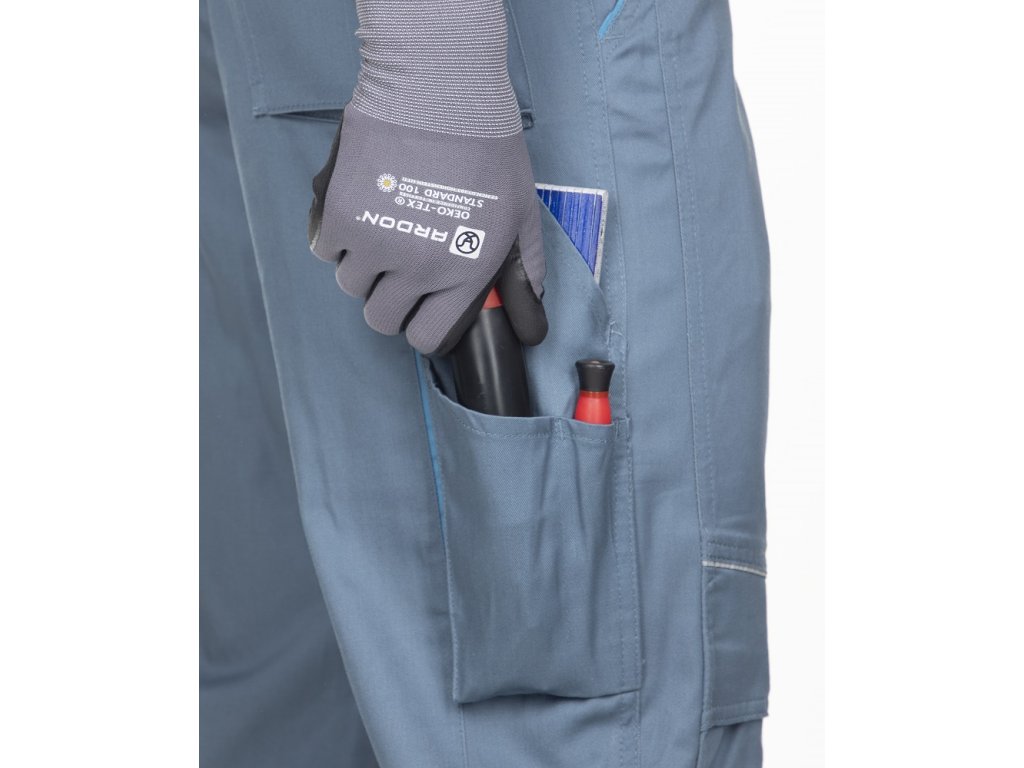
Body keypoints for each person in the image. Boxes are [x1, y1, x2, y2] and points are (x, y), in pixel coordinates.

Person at [200, 0, 771, 766]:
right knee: (586, 717)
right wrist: (434, 59)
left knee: (308, 671)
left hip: (294, 55)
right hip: (500, 54)